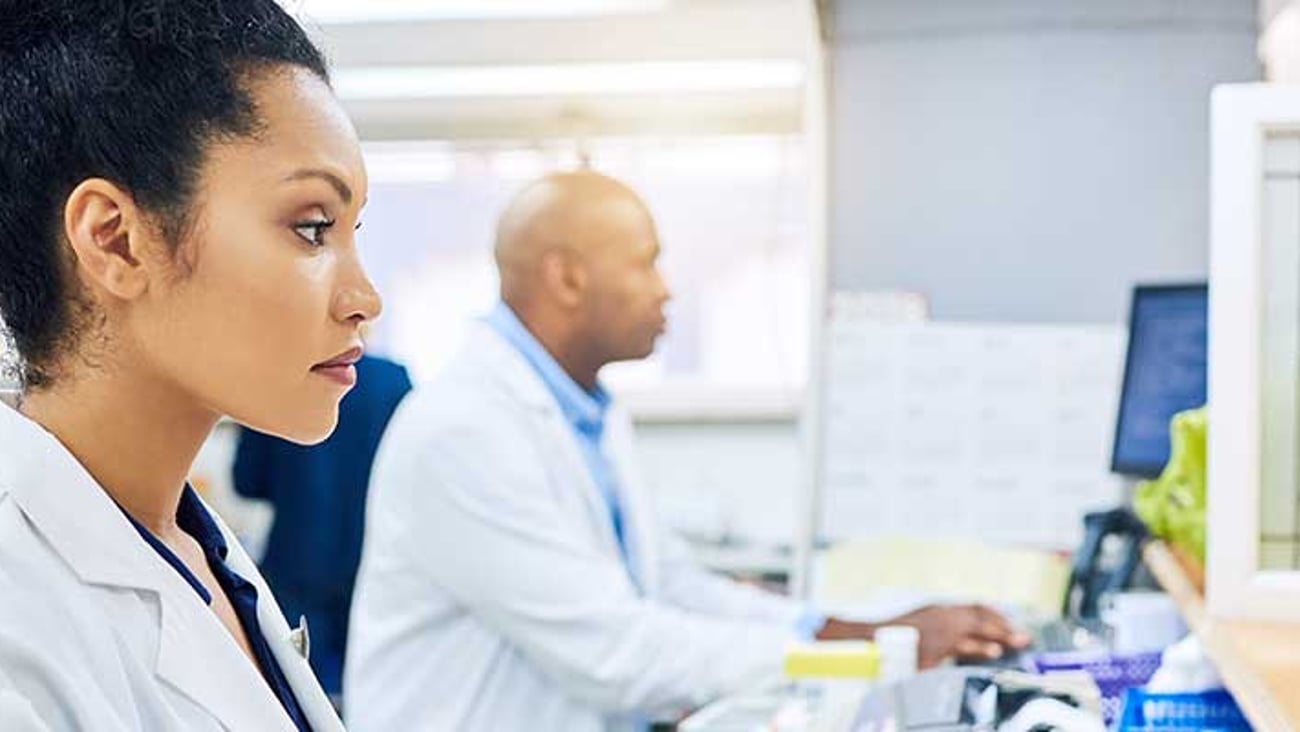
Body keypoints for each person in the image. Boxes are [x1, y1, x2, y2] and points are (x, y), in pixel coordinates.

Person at [346, 171, 1029, 731]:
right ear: (568, 278)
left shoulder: (583, 411)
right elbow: (617, 652)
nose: (667, 288)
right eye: (647, 262)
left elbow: (668, 585)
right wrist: (866, 650)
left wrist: (846, 625)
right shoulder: (467, 428)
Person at [0, 2, 379, 730]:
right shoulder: (18, 616)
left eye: (351, 230)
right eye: (311, 229)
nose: (365, 297)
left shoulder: (189, 546)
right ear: (115, 241)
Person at [233, 353, 413, 698]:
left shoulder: (275, 381)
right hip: (371, 565)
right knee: (373, 698)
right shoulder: (394, 383)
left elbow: (247, 481)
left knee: (293, 698)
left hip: (296, 566)